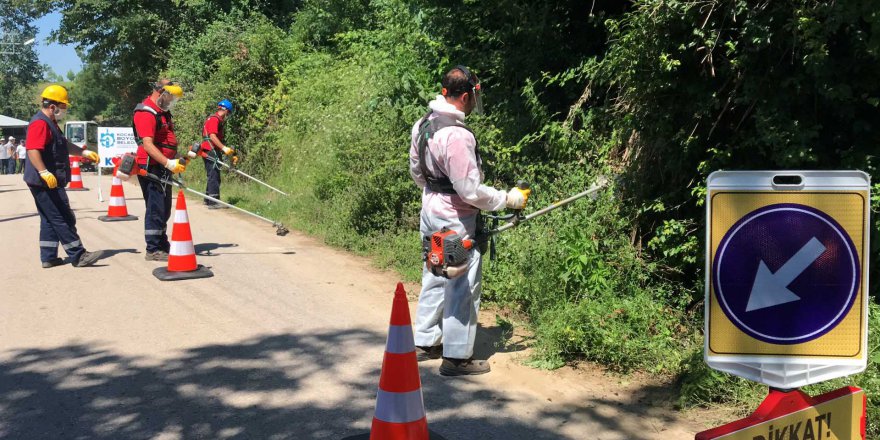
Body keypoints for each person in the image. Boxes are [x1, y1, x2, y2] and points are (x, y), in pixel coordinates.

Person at [408, 66, 530, 376]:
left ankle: (426, 342)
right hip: (454, 221)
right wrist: (507, 199)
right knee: (461, 283)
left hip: (432, 213)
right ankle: (457, 357)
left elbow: (416, 173)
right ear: (465, 96)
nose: (475, 102)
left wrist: (437, 197)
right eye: (474, 97)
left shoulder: (423, 125)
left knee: (437, 273)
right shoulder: (456, 136)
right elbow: (470, 190)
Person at [23, 85, 103, 268]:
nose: (64, 110)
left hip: (47, 180)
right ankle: (78, 255)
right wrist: (43, 171)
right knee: (62, 217)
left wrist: (83, 153)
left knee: (49, 218)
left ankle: (49, 257)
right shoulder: (40, 123)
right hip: (43, 181)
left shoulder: (50, 123)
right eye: (63, 106)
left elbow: (63, 144)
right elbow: (33, 150)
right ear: (52, 106)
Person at [132, 79, 186, 261]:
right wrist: (168, 163)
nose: (171, 101)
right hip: (151, 167)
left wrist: (176, 159)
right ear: (160, 93)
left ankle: (162, 243)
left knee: (164, 208)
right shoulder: (146, 112)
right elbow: (147, 145)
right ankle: (153, 248)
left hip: (163, 166)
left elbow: (167, 139)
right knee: (155, 208)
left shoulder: (163, 112)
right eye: (170, 97)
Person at [200, 99, 235, 208]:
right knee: (214, 175)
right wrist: (224, 148)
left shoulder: (214, 119)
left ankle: (208, 199)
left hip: (211, 150)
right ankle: (213, 202)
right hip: (211, 150)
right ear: (226, 111)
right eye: (228, 113)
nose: (227, 116)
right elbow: (212, 136)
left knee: (212, 174)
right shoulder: (215, 119)